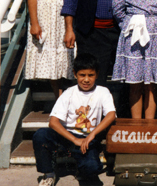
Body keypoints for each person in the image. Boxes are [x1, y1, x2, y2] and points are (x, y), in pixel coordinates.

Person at [32, 54, 116, 186]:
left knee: (92, 168)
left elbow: (111, 114)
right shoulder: (69, 93)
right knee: (41, 135)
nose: (86, 80)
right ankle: (49, 173)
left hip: (88, 139)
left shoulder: (102, 92)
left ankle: (81, 170)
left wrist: (92, 135)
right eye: (82, 75)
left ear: (97, 74)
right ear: (75, 74)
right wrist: (74, 140)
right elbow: (53, 122)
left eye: (91, 75)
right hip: (68, 137)